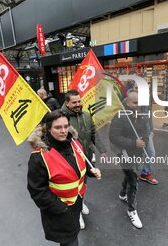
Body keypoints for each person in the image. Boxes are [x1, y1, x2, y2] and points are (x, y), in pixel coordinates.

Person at [27, 110, 101, 246]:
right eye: (58, 127)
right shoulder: (39, 156)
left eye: (66, 126)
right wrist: (62, 209)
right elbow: (38, 191)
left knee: (74, 234)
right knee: (70, 242)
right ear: (48, 128)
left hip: (76, 204)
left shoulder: (74, 142)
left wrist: (91, 170)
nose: (63, 131)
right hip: (59, 211)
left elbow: (80, 164)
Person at [61, 89, 106, 229]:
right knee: (73, 187)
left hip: (86, 157)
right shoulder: (61, 118)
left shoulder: (86, 115)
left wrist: (102, 149)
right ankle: (76, 213)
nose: (78, 104)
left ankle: (81, 202)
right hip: (71, 161)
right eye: (74, 102)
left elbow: (93, 133)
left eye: (79, 101)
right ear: (66, 103)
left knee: (83, 184)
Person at [109, 91, 148, 229]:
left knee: (129, 174)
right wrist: (133, 143)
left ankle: (122, 194)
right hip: (124, 152)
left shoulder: (141, 114)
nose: (138, 105)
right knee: (133, 179)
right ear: (127, 103)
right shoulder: (119, 117)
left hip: (137, 152)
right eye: (135, 103)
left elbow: (145, 131)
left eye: (139, 102)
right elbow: (113, 137)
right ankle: (132, 210)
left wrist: (145, 141)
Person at [127, 82, 158, 184]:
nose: (138, 91)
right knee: (134, 154)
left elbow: (149, 115)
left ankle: (145, 173)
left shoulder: (146, 98)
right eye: (136, 88)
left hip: (146, 131)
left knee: (151, 152)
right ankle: (132, 173)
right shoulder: (128, 99)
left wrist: (151, 130)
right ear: (133, 87)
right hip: (133, 132)